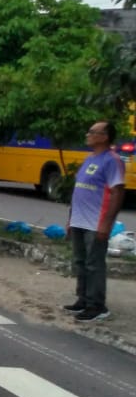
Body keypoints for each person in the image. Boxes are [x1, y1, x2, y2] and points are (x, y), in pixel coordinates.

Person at [64, 120, 126, 323]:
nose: (87, 135)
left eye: (92, 132)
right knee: (80, 262)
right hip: (79, 220)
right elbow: (79, 191)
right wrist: (70, 219)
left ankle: (97, 306)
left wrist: (107, 223)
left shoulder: (112, 160)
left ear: (104, 137)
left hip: (96, 222)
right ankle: (83, 299)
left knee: (94, 264)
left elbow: (117, 192)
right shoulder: (90, 158)